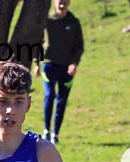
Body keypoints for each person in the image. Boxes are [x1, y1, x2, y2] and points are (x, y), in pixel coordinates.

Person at [33, 0, 83, 144]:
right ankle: (46, 130)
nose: (62, 4)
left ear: (69, 3)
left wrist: (74, 63)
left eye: (65, 2)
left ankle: (56, 134)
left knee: (62, 100)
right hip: (49, 65)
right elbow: (38, 42)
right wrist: (36, 63)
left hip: (66, 67)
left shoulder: (74, 22)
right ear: (54, 3)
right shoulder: (47, 21)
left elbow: (79, 46)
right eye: (60, 2)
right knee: (50, 95)